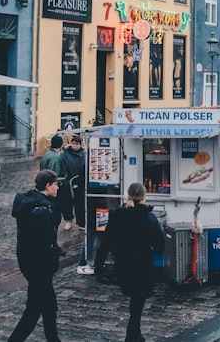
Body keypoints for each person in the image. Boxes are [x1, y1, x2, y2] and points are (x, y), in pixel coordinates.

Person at [94, 182, 166, 342]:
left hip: (123, 264)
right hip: (142, 266)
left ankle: (134, 334)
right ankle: (132, 335)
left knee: (136, 299)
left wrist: (98, 266)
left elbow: (105, 243)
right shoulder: (149, 218)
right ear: (144, 197)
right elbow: (159, 246)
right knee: (138, 300)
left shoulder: (117, 216)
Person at [8, 169, 63, 342]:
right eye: (56, 184)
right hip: (40, 264)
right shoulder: (44, 209)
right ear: (47, 186)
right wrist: (53, 255)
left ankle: (53, 339)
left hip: (28, 260)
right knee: (34, 309)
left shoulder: (29, 202)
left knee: (48, 305)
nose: (58, 188)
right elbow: (44, 239)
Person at [59, 135, 86, 231]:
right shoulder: (65, 155)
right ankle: (68, 220)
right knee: (67, 202)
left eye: (77, 144)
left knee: (80, 202)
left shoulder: (84, 154)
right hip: (68, 181)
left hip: (81, 182)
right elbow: (62, 167)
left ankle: (81, 222)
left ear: (80, 145)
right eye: (73, 143)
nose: (75, 146)